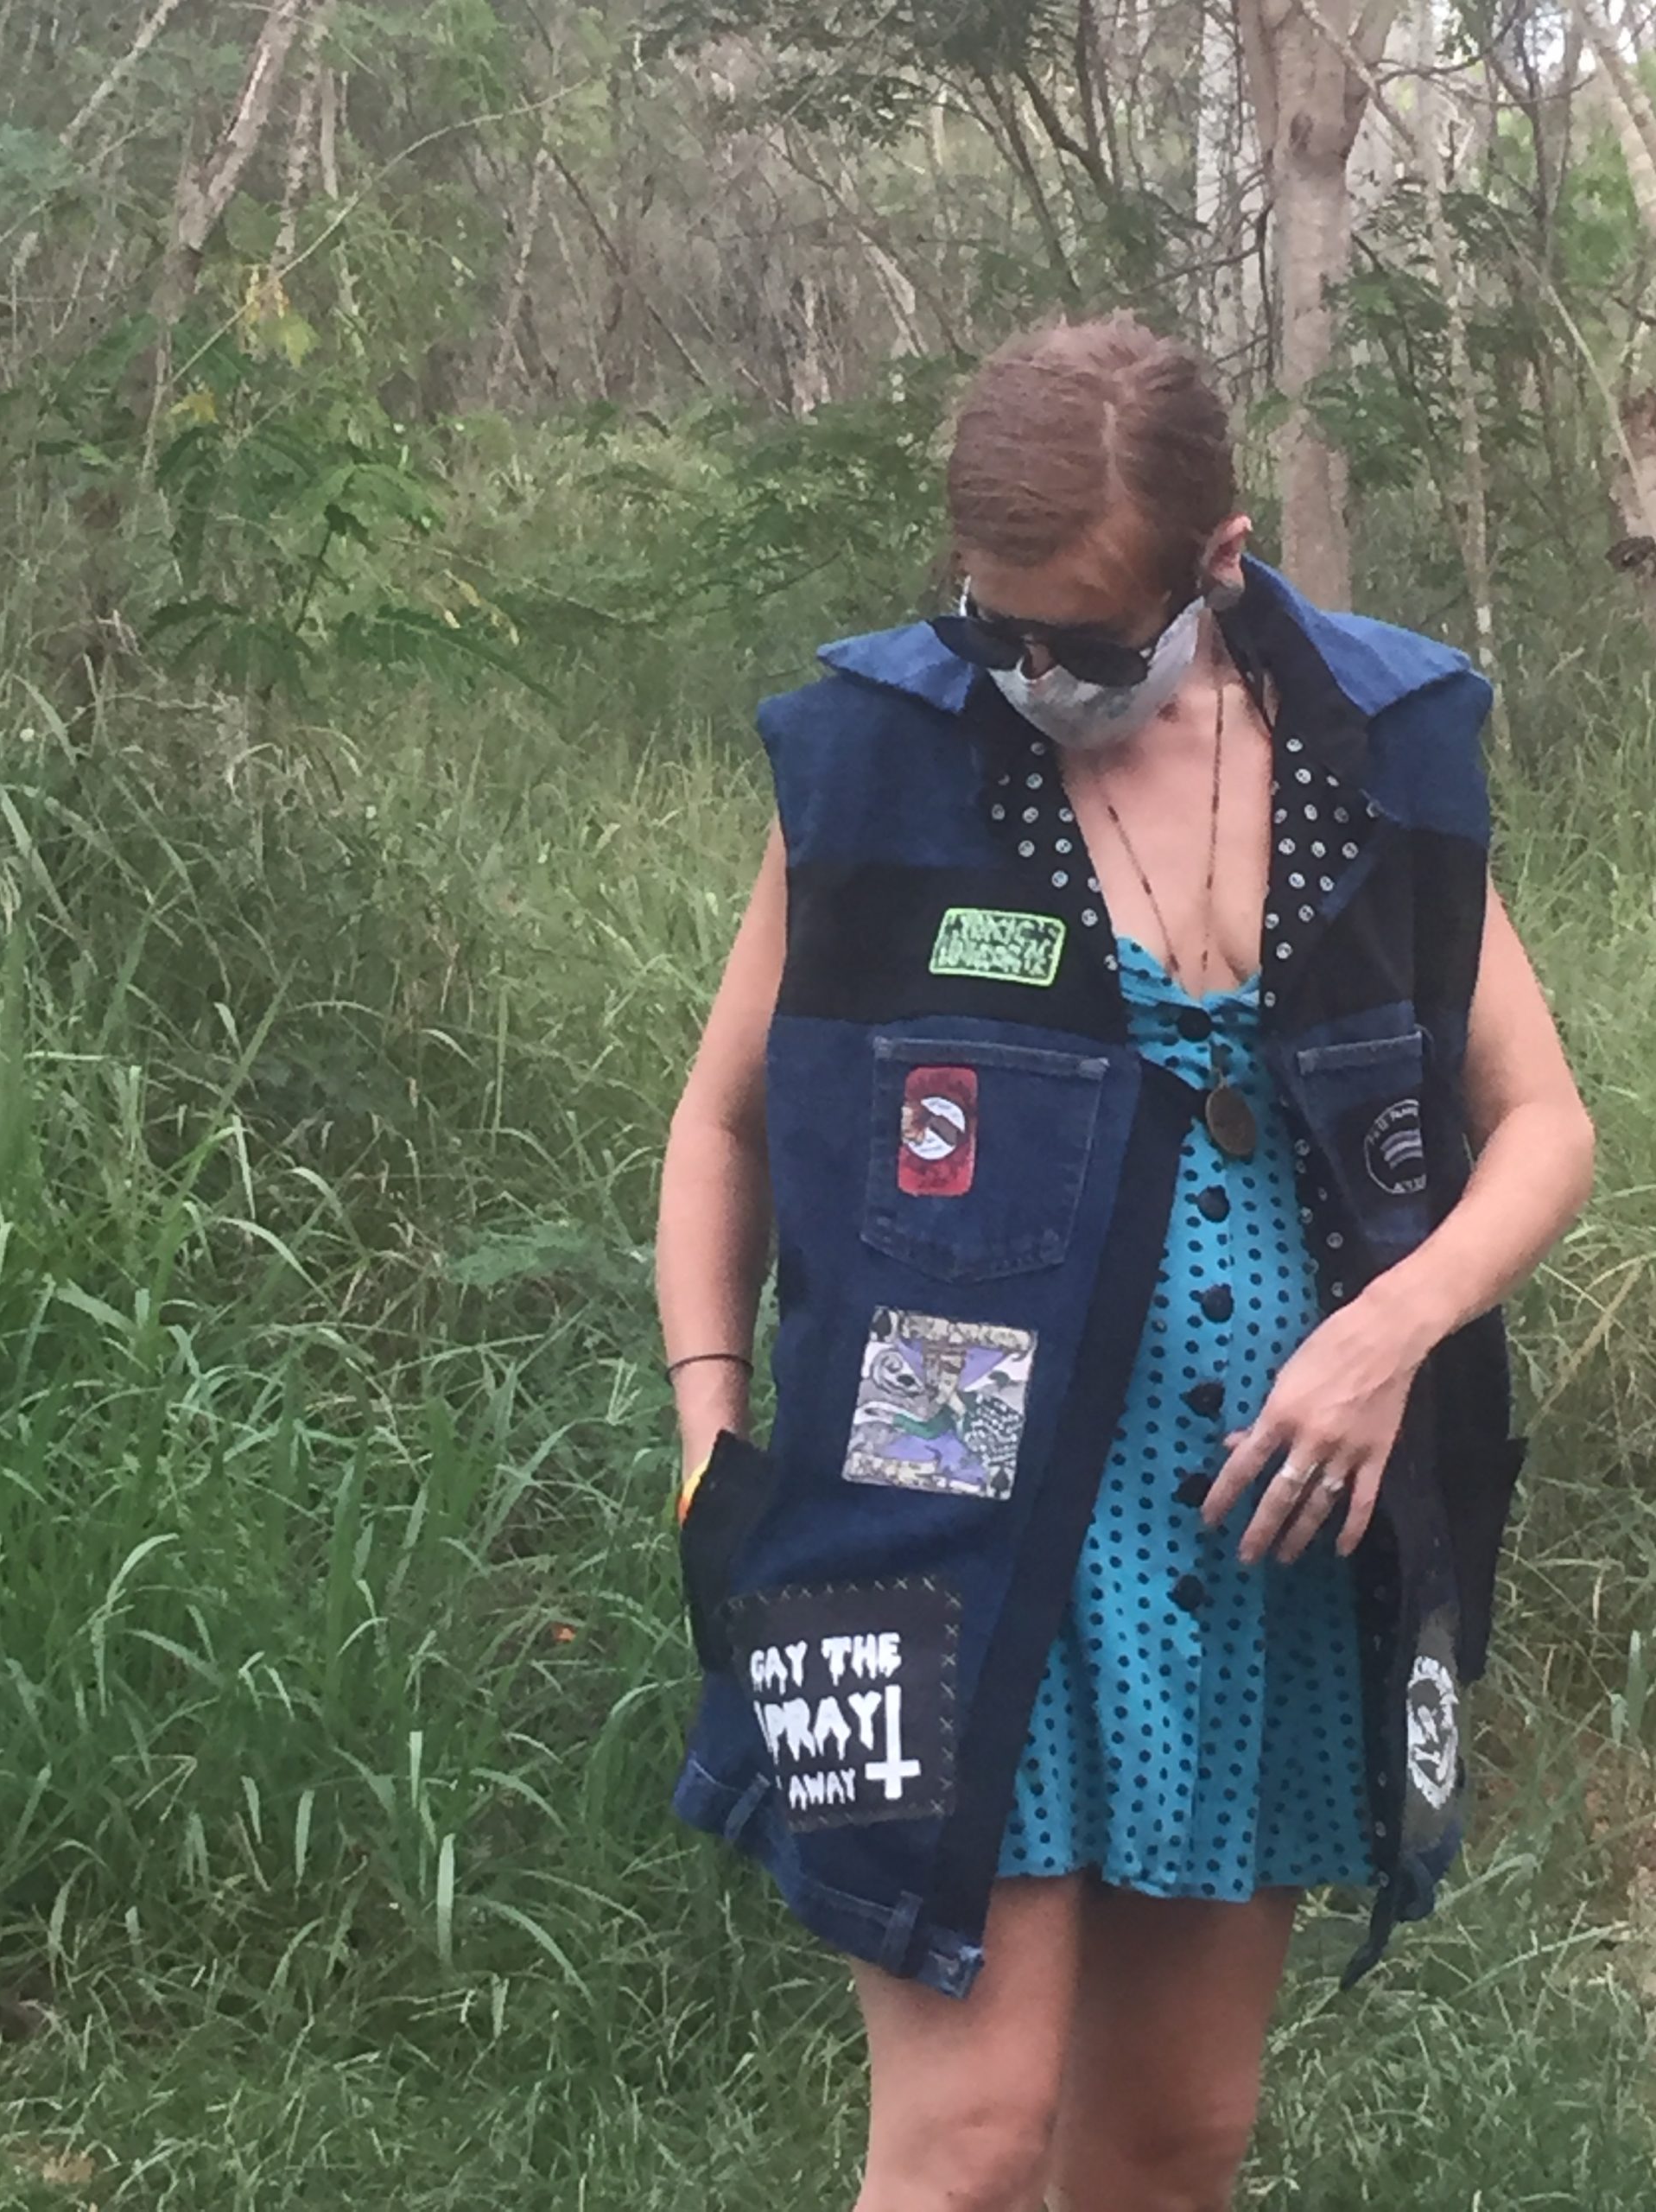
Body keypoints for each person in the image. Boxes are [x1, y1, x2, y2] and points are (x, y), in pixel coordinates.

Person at [654, 313, 1594, 2212]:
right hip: (937, 1508)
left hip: (1261, 1521)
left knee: (1170, 2145)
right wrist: (710, 1425)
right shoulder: (877, 751)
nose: (1023, 674)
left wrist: (1387, 1332)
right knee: (971, 2144)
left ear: (1220, 561)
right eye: (987, 623)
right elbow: (727, 1125)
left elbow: (1548, 1126)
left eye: (1080, 641)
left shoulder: (1381, 751)